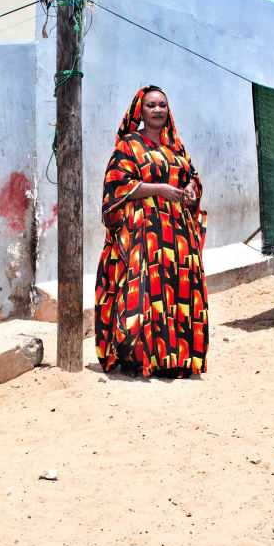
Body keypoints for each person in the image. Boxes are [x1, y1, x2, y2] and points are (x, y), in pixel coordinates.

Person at [94, 85, 208, 378]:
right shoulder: (128, 145)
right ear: (140, 111)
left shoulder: (176, 147)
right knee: (145, 291)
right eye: (151, 105)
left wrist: (190, 190)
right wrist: (160, 189)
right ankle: (140, 357)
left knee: (180, 291)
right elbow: (116, 185)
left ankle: (176, 358)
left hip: (179, 235)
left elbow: (192, 177)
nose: (158, 110)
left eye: (162, 105)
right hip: (145, 233)